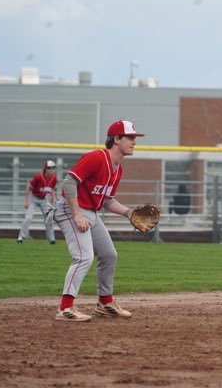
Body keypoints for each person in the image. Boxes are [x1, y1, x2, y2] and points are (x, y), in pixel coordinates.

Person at [52, 120, 145, 322]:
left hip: (91, 212)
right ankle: (65, 308)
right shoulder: (97, 157)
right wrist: (77, 213)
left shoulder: (117, 169)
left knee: (109, 254)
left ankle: (105, 303)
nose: (134, 142)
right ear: (116, 139)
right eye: (130, 138)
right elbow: (69, 182)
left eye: (134, 138)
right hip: (71, 209)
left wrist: (128, 212)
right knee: (84, 257)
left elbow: (107, 200)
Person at [17, 160, 58, 244]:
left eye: (53, 168)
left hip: (44, 199)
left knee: (48, 218)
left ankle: (51, 239)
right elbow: (29, 187)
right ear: (45, 169)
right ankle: (21, 237)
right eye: (50, 168)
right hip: (34, 198)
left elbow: (52, 189)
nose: (52, 170)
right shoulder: (38, 177)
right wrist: (26, 201)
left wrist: (54, 198)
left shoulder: (54, 178)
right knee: (28, 218)